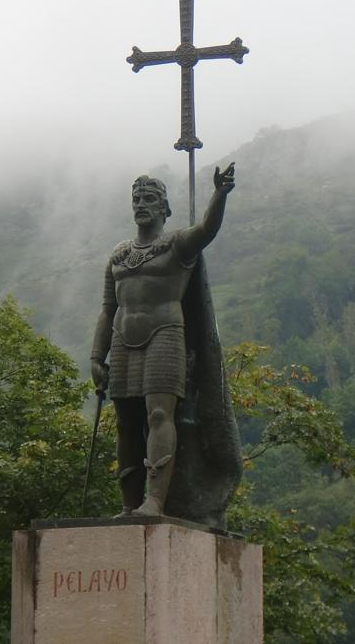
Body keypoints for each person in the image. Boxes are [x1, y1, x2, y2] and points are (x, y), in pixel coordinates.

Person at [90, 163, 236, 517]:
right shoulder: (119, 255)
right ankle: (128, 505)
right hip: (123, 339)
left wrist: (219, 194)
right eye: (137, 198)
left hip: (165, 336)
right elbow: (108, 309)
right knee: (126, 422)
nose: (141, 204)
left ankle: (154, 501)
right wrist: (97, 356)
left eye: (150, 198)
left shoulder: (176, 245)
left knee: (158, 414)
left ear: (164, 208)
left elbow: (206, 230)